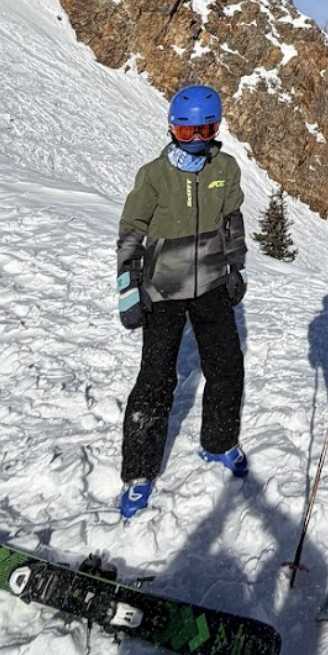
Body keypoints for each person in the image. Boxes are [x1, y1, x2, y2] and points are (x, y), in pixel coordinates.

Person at [115, 85, 249, 519]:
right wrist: (128, 287)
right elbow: (131, 232)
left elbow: (232, 220)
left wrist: (236, 267)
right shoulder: (154, 175)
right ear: (171, 127)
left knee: (227, 365)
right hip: (163, 290)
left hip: (211, 284)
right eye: (184, 129)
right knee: (156, 378)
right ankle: (139, 472)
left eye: (205, 129)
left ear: (216, 129)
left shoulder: (224, 167)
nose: (194, 139)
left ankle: (219, 442)